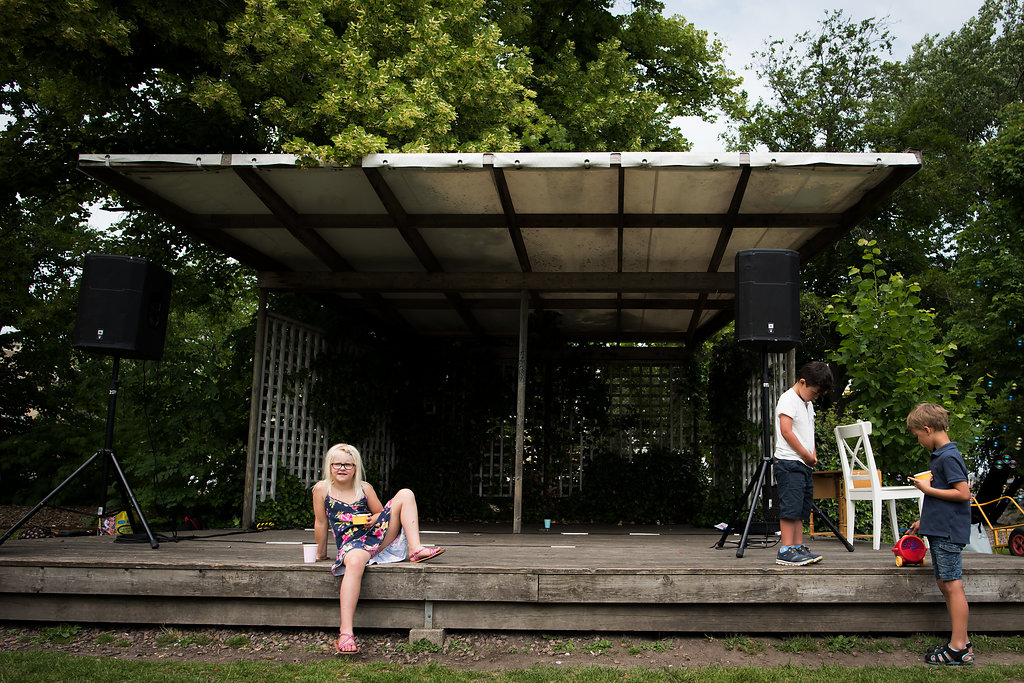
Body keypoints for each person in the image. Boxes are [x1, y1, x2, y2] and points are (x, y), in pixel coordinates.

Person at [312, 443, 445, 655]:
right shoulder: (322, 489)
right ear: (329, 466)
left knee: (406, 494)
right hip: (351, 544)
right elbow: (321, 522)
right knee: (355, 562)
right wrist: (320, 553)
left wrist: (373, 519)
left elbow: (381, 513)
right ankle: (346, 632)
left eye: (348, 464)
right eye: (337, 464)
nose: (342, 468)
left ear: (355, 467)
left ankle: (416, 548)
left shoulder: (364, 488)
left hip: (375, 535)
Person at [906, 403, 974, 665]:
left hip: (948, 533)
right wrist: (923, 521)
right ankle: (962, 641)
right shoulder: (941, 456)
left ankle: (958, 648)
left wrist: (927, 489)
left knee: (952, 585)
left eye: (917, 436)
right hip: (940, 529)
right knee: (945, 584)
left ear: (927, 429)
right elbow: (944, 499)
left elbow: (963, 494)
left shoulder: (948, 457)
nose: (918, 441)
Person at [773, 361, 833, 566]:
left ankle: (797, 547)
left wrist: (812, 454)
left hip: (803, 464)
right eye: (814, 392)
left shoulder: (808, 404)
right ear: (802, 382)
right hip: (789, 462)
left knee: (800, 507)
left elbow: (809, 431)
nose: (815, 397)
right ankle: (786, 549)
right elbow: (786, 430)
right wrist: (804, 454)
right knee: (790, 506)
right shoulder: (788, 399)